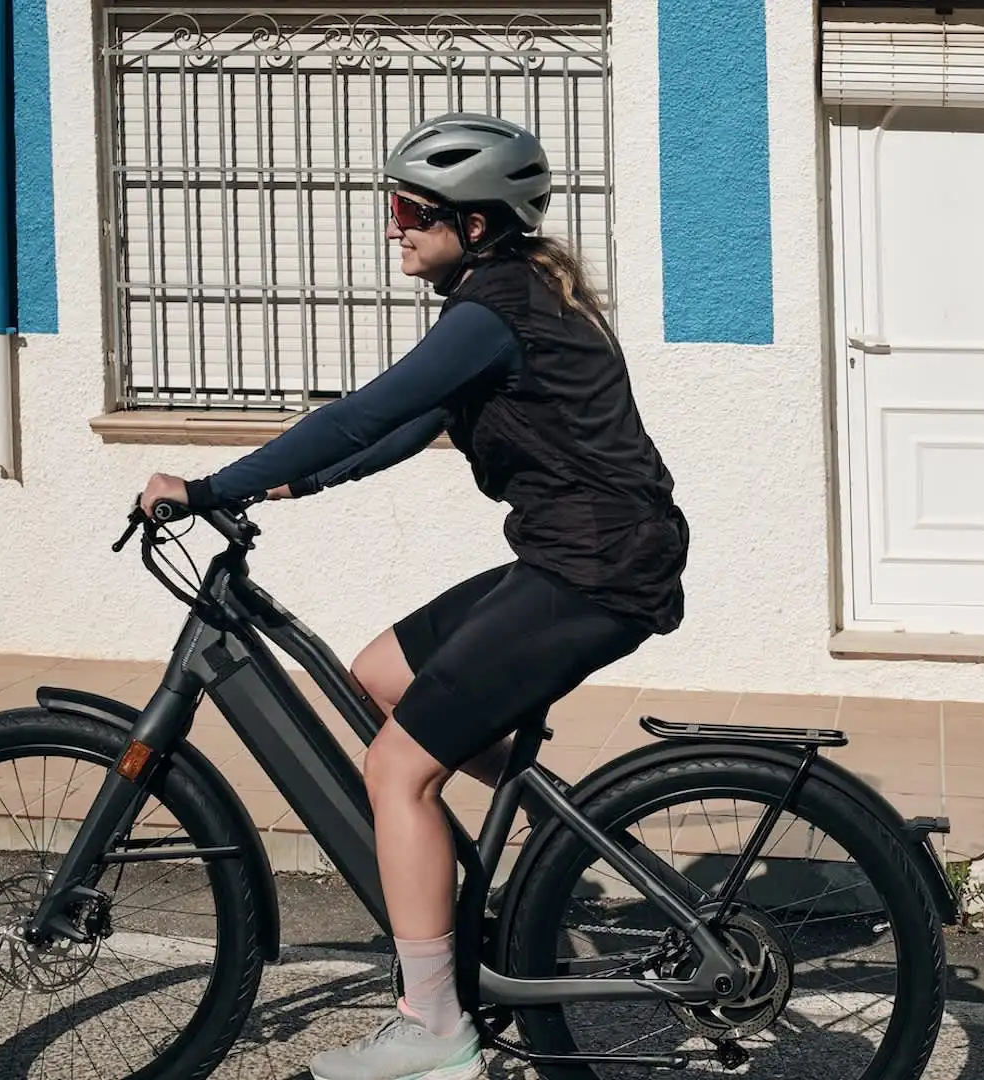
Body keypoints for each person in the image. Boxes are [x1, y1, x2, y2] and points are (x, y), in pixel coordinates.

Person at [136, 113, 689, 1080]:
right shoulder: (502, 296)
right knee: (380, 674)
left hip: (595, 569)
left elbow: (366, 412)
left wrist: (212, 486)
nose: (393, 227)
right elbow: (401, 428)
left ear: (475, 224)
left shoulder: (493, 309)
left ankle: (434, 1029)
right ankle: (545, 828)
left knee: (396, 770)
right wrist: (288, 485)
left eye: (410, 212)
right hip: (578, 555)